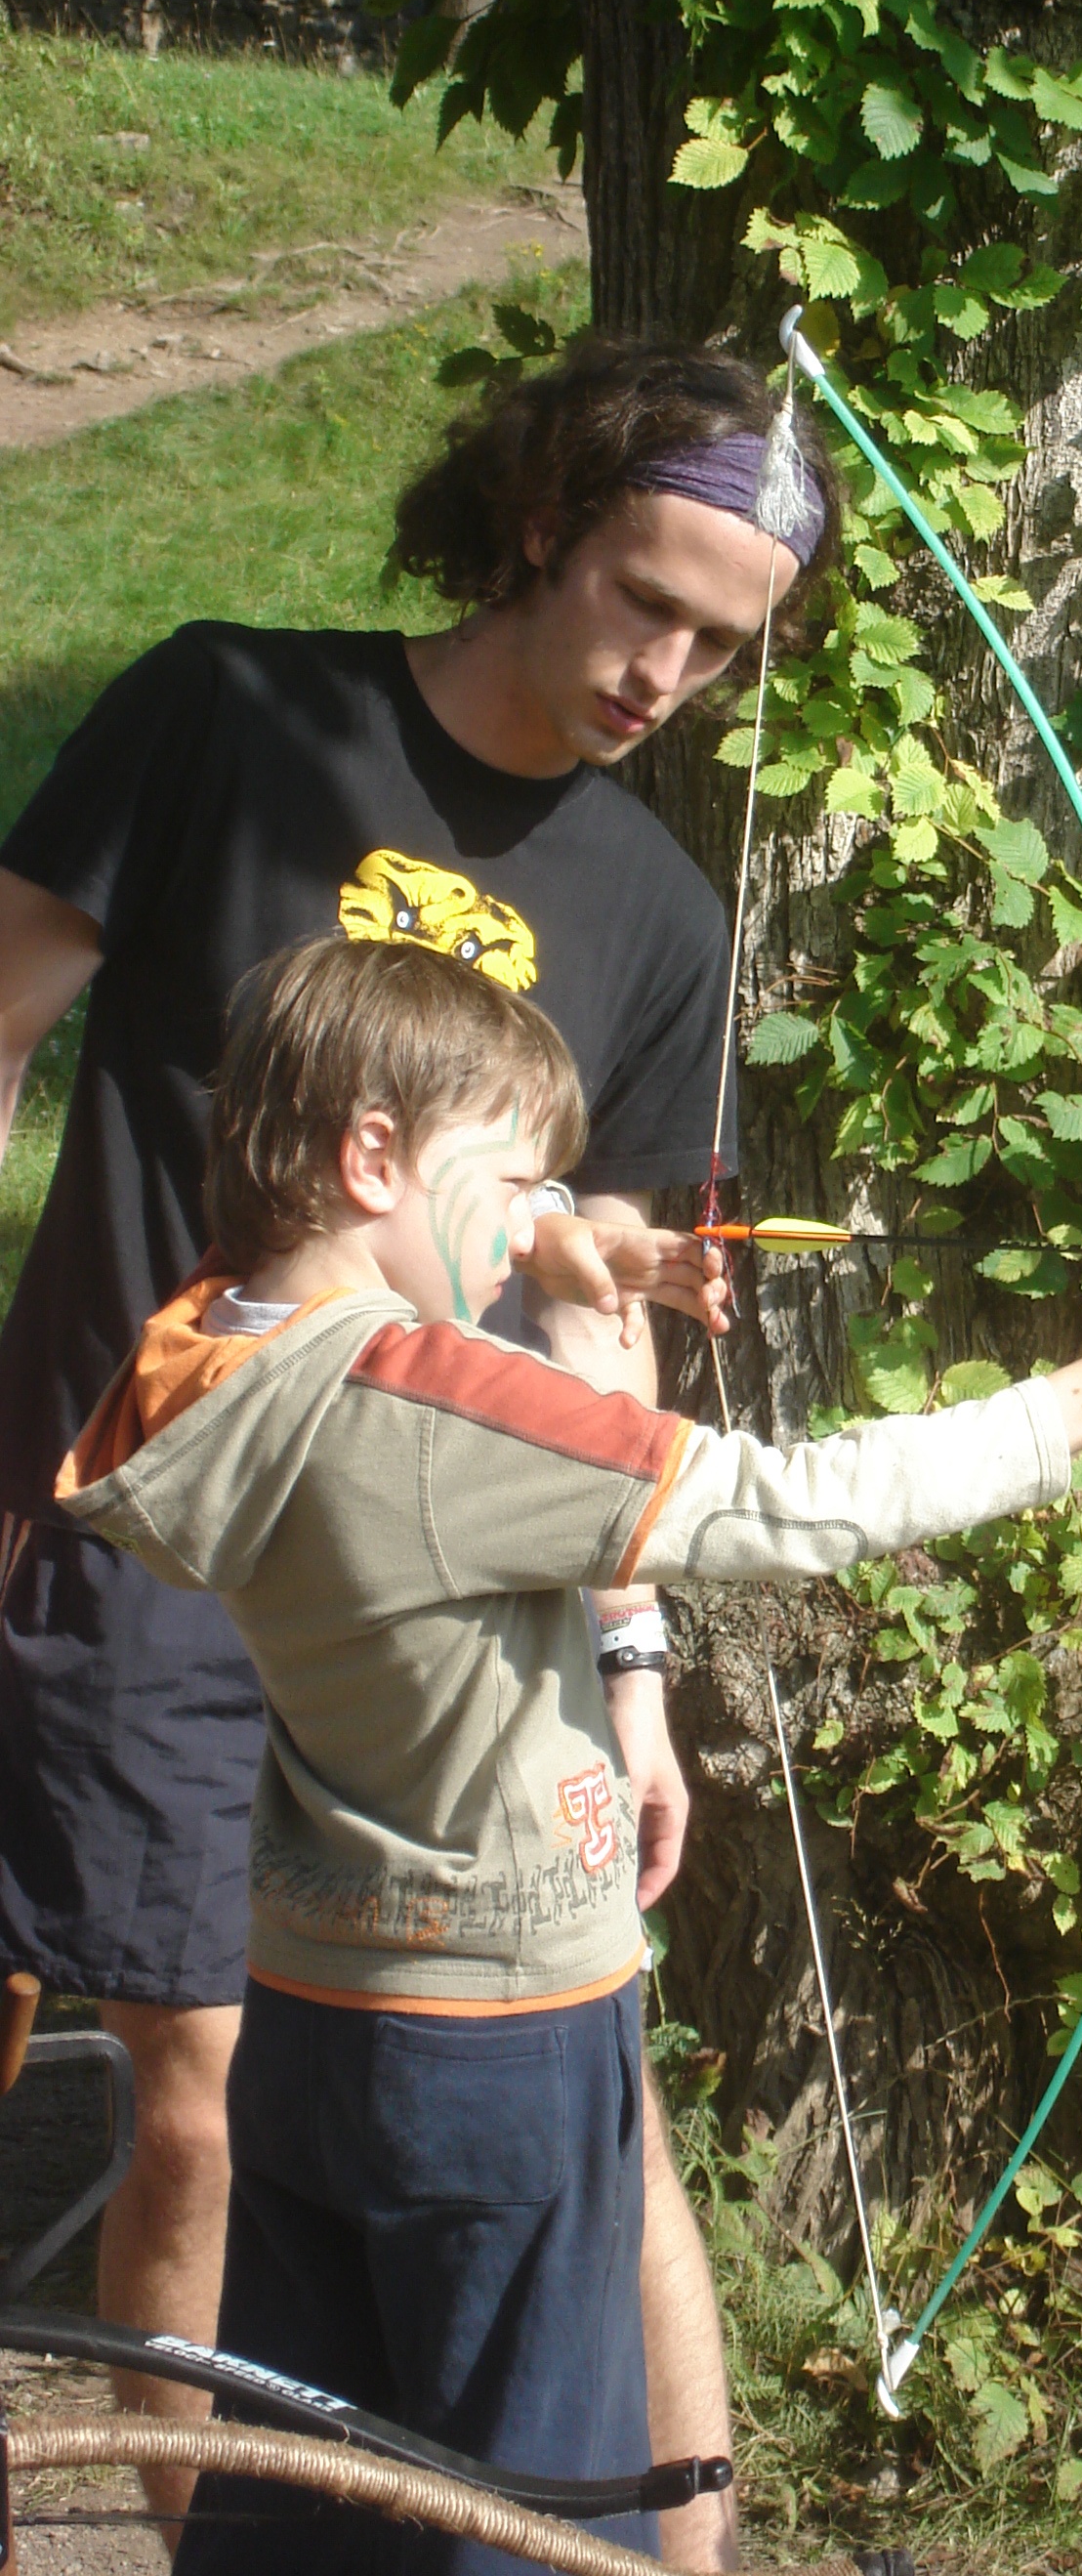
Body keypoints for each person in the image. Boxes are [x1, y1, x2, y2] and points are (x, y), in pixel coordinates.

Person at [57, 934, 1082, 2575]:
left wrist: (546, 1230)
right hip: (502, 2053)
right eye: (507, 1181)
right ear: (373, 1155)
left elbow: (346, 1268)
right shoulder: (436, 1402)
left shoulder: (209, 1359)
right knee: (525, 2511)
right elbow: (785, 1504)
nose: (523, 1224)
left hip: (313, 2019)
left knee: (307, 2501)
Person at [0, 338, 843, 2568]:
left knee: (569, 2104)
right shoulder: (227, 713)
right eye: (645, 603)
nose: (668, 675)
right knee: (176, 2087)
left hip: (449, 1616)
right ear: (541, 522)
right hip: (153, 1524)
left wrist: (635, 1674)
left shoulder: (659, 914)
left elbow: (592, 1318)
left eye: (722, 647)